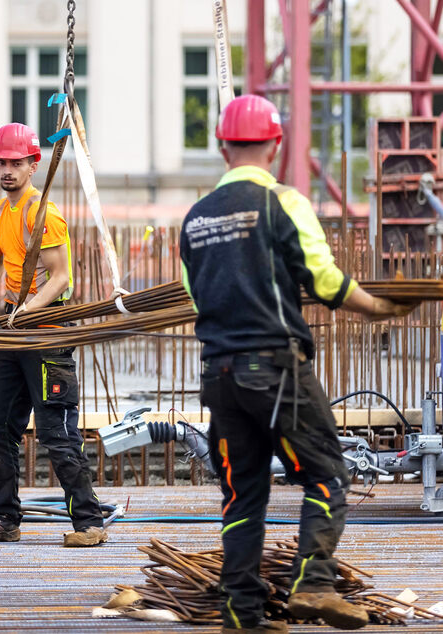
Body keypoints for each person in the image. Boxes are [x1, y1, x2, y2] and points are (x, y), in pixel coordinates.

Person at [179, 94, 414, 633]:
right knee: (328, 473)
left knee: (242, 493)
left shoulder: (194, 219)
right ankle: (314, 585)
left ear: (221, 147)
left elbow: (200, 300)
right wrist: (380, 306)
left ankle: (242, 613)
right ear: (276, 145)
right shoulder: (282, 202)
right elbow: (326, 280)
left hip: (218, 377)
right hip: (276, 371)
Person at [0, 122, 107, 548]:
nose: (7, 170)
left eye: (15, 163)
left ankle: (89, 523)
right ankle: (2, 520)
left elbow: (61, 278)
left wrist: (28, 311)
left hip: (46, 333)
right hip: (13, 329)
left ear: (33, 165)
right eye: (1, 162)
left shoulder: (44, 213)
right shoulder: (2, 211)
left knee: (57, 433)